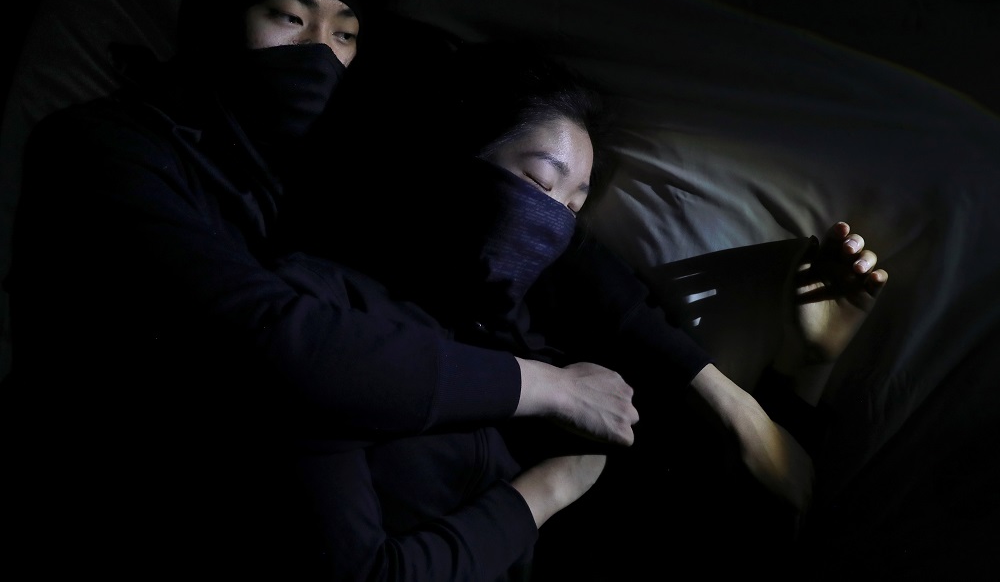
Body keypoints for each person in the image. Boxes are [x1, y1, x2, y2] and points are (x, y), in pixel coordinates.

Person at [0, 0, 638, 579]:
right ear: (220, 15)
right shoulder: (100, 148)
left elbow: (528, 207)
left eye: (345, 33)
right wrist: (546, 391)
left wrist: (696, 374)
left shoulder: (322, 164)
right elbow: (273, 340)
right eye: (289, 16)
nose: (318, 53)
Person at [286, 39, 888, 578]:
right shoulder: (324, 312)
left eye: (574, 208)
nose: (553, 224)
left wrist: (803, 370)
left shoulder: (553, 341)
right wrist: (547, 490)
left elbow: (733, 529)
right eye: (540, 184)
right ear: (455, 157)